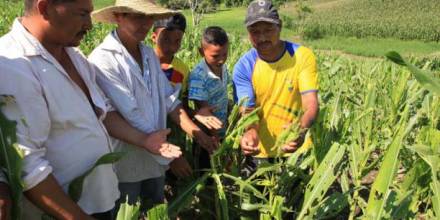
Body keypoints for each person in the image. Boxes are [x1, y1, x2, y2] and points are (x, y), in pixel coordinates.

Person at [0, 0, 180, 219]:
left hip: (101, 196)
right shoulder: (13, 65)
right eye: (83, 14)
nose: (89, 25)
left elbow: (102, 114)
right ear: (45, 8)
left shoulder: (74, 56)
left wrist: (144, 140)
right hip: (65, 210)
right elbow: (27, 166)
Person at [89, 0, 218, 210]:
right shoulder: (103, 60)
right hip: (126, 163)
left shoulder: (148, 53)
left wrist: (196, 133)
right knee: (127, 211)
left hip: (156, 161)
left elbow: (168, 99)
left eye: (149, 17)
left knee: (154, 210)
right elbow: (131, 114)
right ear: (118, 17)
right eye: (138, 16)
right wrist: (167, 155)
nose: (146, 23)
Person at [233, 0, 319, 169]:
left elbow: (311, 103)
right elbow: (248, 110)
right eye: (255, 32)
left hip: (297, 150)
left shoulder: (302, 57)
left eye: (268, 30)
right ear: (248, 33)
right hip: (261, 151)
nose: (262, 37)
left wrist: (300, 129)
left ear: (279, 26)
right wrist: (251, 132)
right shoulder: (244, 66)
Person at [188, 26, 229, 170]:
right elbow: (204, 111)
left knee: (221, 168)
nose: (221, 60)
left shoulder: (223, 67)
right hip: (207, 136)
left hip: (221, 130)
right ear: (201, 52)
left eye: (225, 54)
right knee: (206, 170)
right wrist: (215, 137)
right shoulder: (199, 76)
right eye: (215, 56)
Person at [152, 13, 190, 101]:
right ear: (154, 37)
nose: (172, 47)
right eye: (166, 39)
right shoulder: (142, 62)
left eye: (177, 41)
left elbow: (182, 104)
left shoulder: (182, 70)